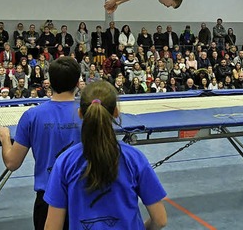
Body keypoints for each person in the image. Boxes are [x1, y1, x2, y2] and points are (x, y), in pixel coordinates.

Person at [43, 80, 167, 230]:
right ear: (116, 112)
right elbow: (159, 220)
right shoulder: (134, 158)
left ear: (80, 113)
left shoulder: (65, 162)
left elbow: (52, 227)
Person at [0, 57, 82, 230]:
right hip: (85, 197)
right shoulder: (90, 114)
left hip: (48, 198)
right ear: (78, 82)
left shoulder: (32, 116)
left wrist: (4, 137)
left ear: (50, 83)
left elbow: (12, 162)